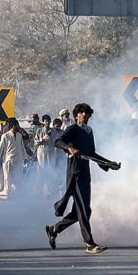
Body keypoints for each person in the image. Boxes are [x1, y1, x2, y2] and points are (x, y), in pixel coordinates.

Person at [45, 103, 108, 255]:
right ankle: (89, 243)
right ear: (76, 115)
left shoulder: (88, 130)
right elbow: (57, 141)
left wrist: (106, 163)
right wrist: (69, 148)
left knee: (83, 210)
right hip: (75, 171)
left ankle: (55, 229)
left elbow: (91, 152)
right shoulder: (73, 129)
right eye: (81, 113)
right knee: (83, 209)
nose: (84, 115)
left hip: (85, 172)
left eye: (86, 113)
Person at [0, 117, 27, 197]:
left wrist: (25, 157)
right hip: (8, 160)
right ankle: (8, 195)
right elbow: (0, 148)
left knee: (18, 178)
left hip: (19, 159)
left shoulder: (19, 135)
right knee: (8, 179)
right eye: (16, 125)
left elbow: (22, 147)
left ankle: (18, 195)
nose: (18, 127)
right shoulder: (5, 136)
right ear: (13, 126)